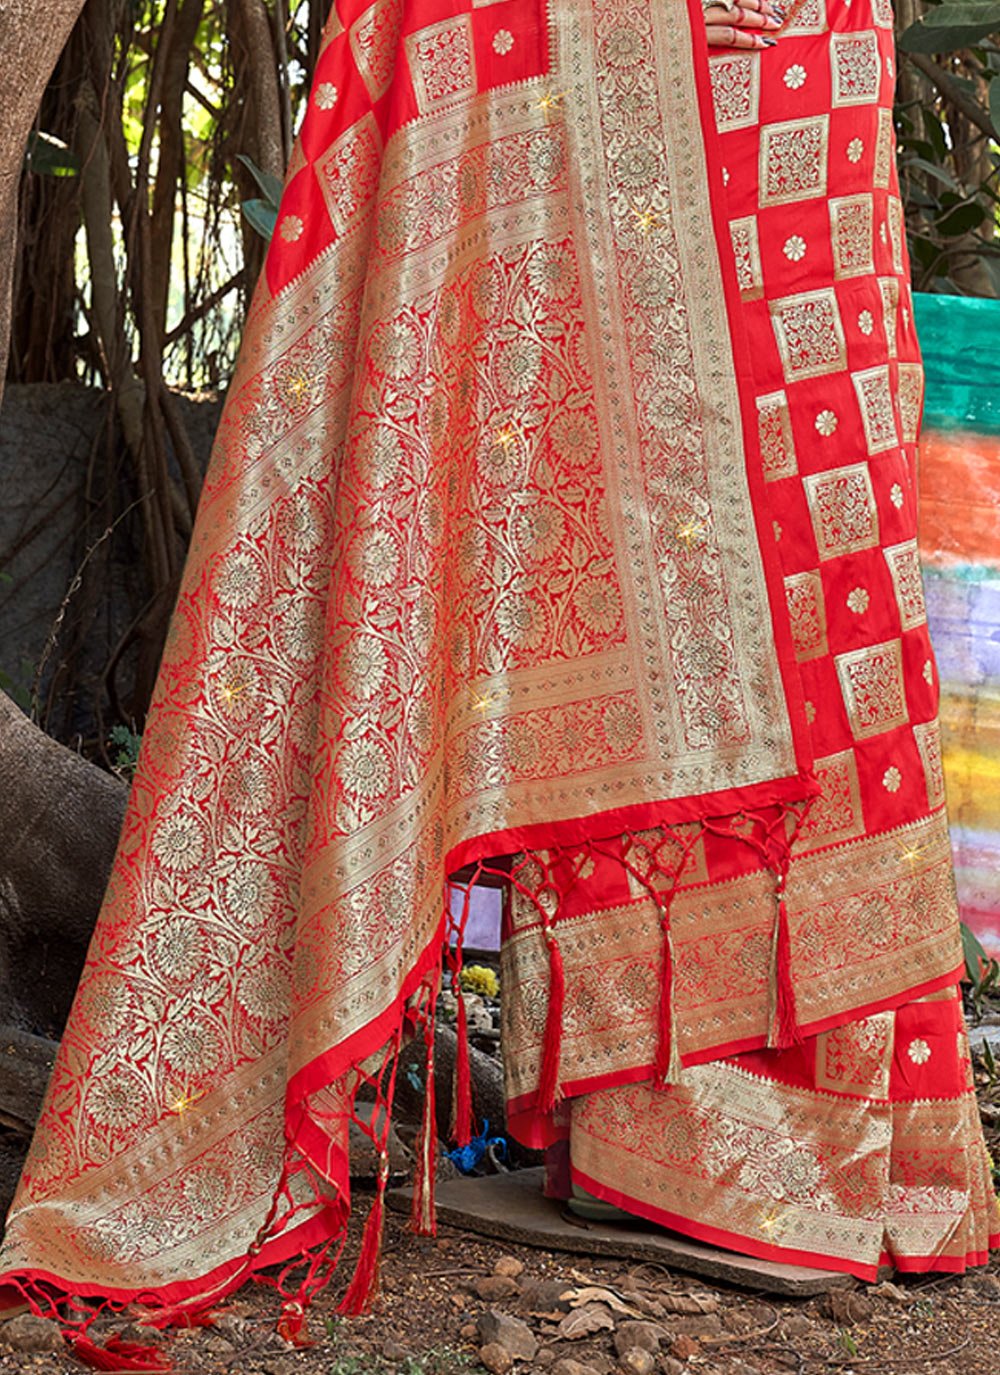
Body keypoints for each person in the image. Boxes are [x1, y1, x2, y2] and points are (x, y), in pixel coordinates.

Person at [0, 0, 994, 1337]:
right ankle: (673, 1132)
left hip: (763, 73)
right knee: (675, 533)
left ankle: (789, 1136)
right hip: (663, 56)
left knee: (800, 541)